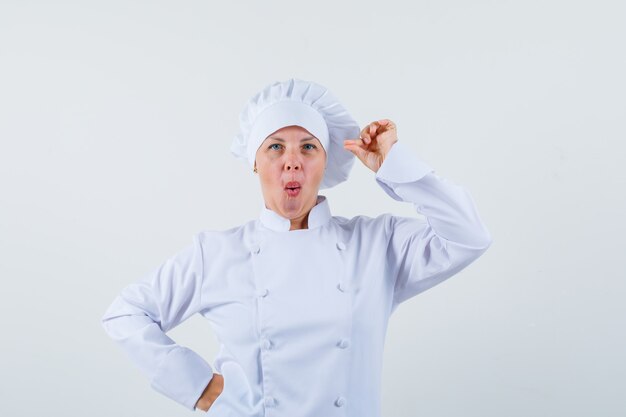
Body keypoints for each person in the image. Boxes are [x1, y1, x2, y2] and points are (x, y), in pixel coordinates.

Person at [101, 78, 492, 416]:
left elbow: (468, 235)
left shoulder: (377, 246)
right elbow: (126, 314)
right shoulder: (217, 253)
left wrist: (395, 163)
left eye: (308, 147)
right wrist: (198, 386)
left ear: (326, 162)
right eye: (275, 148)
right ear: (254, 161)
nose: (292, 162)